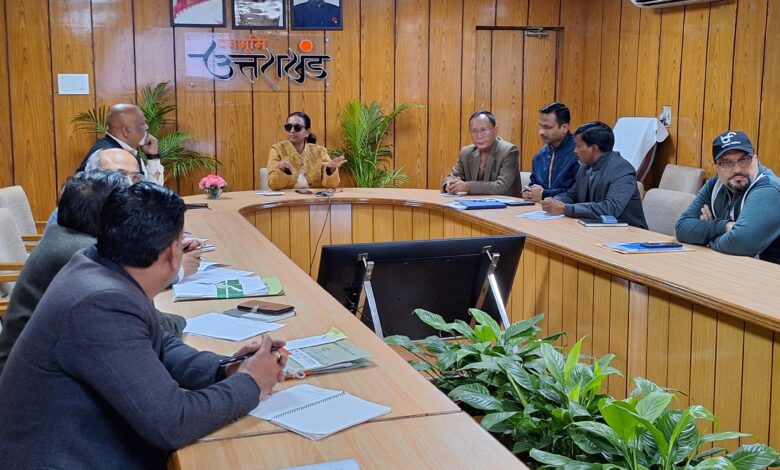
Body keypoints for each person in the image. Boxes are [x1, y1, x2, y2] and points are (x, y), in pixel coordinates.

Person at [0, 182, 287, 468]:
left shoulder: (101, 267)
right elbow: (173, 423)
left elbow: (159, 343)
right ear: (173, 254)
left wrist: (225, 368)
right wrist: (251, 383)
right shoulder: (101, 302)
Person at [0, 171, 188, 376]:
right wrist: (182, 320)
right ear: (112, 215)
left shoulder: (63, 237)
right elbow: (154, 326)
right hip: (34, 380)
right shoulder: (85, 255)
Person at [675, 131, 780, 263]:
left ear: (755, 160)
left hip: (770, 272)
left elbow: (741, 242)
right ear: (716, 167)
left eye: (744, 160)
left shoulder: (769, 188)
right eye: (726, 163)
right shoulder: (715, 185)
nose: (737, 169)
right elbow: (682, 228)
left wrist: (707, 239)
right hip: (736, 267)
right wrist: (724, 226)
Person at [540, 121, 647, 228]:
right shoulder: (585, 166)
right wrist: (555, 201)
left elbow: (611, 209)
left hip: (627, 232)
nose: (575, 151)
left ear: (593, 149)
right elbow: (572, 195)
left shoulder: (622, 169)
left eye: (578, 146)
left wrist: (565, 209)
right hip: (595, 228)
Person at [75, 103, 164, 184]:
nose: (147, 127)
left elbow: (155, 190)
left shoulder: (127, 150)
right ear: (126, 131)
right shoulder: (110, 157)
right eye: (142, 124)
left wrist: (153, 156)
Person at [442, 111, 521, 197]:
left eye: (484, 130)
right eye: (474, 131)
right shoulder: (466, 153)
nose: (479, 136)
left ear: (495, 130)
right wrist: (450, 184)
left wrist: (467, 186)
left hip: (505, 204)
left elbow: (501, 187)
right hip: (472, 203)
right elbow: (452, 177)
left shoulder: (509, 151)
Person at [267, 111, 346, 190]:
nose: (292, 130)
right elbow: (273, 185)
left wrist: (331, 169)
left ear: (307, 132)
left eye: (297, 127)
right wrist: (282, 171)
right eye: (288, 127)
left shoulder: (320, 151)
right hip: (287, 197)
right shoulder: (277, 149)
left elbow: (331, 185)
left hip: (314, 197)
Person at [522, 102, 579, 202]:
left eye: (547, 127)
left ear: (564, 128)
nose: (541, 132)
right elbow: (534, 184)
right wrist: (528, 192)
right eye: (540, 126)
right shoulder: (539, 156)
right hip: (539, 208)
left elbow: (577, 193)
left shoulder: (579, 153)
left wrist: (544, 194)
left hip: (567, 209)